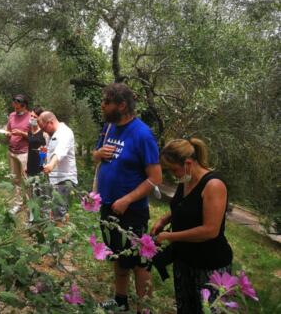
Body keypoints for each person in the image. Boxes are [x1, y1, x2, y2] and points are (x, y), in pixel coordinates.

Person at [93, 83, 162, 313]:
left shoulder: (142, 134)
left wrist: (127, 199)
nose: (102, 105)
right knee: (117, 257)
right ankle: (120, 300)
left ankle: (145, 307)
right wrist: (98, 154)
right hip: (107, 206)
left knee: (139, 262)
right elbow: (96, 156)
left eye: (107, 102)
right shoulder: (109, 128)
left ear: (122, 105)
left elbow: (155, 178)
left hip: (131, 211)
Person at [151, 138, 233, 314]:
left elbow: (210, 230)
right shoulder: (186, 181)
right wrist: (164, 220)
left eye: (174, 169)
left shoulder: (214, 185)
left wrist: (169, 236)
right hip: (184, 261)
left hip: (209, 265)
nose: (174, 175)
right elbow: (184, 207)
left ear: (188, 163)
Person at [38, 111, 77, 221]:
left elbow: (60, 152)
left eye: (44, 128)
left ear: (50, 122)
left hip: (65, 178)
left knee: (59, 211)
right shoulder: (51, 134)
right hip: (54, 178)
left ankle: (60, 238)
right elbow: (51, 151)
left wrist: (51, 165)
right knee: (57, 210)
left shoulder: (65, 133)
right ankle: (64, 234)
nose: (43, 131)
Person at [5, 94, 31, 214]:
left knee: (27, 180)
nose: (15, 109)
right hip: (12, 151)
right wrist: (7, 133)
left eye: (18, 107)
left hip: (24, 153)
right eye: (14, 106)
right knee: (15, 179)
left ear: (24, 105)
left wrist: (22, 133)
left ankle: (30, 205)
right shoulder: (11, 115)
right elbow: (8, 130)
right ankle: (18, 203)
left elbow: (36, 136)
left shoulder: (31, 117)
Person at [26, 106, 48, 177]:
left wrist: (42, 167)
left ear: (40, 118)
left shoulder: (44, 132)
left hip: (39, 168)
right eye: (31, 116)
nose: (32, 118)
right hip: (29, 166)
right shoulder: (29, 131)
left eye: (35, 117)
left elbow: (44, 152)